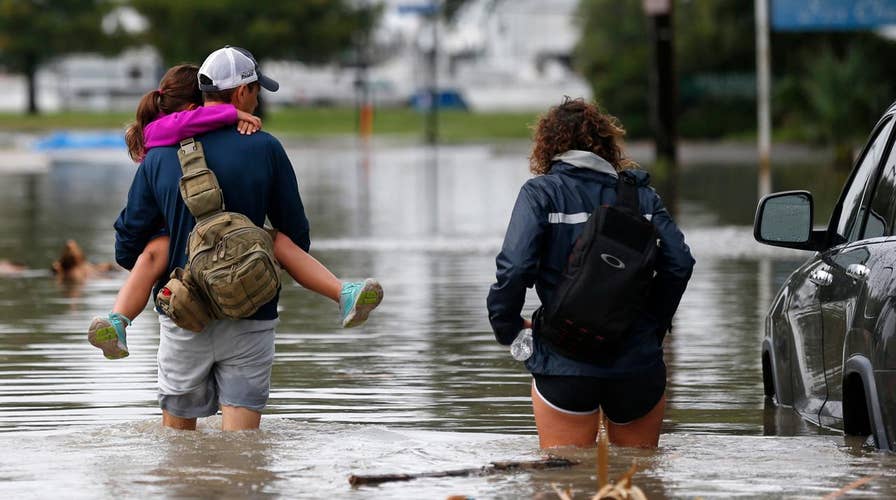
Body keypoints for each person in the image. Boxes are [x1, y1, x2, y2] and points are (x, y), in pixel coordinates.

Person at [113, 46, 379, 431]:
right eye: (256, 90)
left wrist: (165, 247)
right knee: (243, 451)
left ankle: (117, 320)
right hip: (251, 311)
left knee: (177, 450)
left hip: (184, 312)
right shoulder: (265, 147)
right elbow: (296, 234)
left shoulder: (158, 156)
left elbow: (127, 245)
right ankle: (343, 293)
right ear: (240, 94)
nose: (258, 99)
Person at [486, 97, 694, 448]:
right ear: (607, 144)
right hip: (637, 365)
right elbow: (679, 263)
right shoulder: (643, 198)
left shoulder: (542, 193)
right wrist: (651, 326)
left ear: (547, 146)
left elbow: (516, 266)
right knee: (640, 480)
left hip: (563, 362)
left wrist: (508, 328)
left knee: (563, 480)